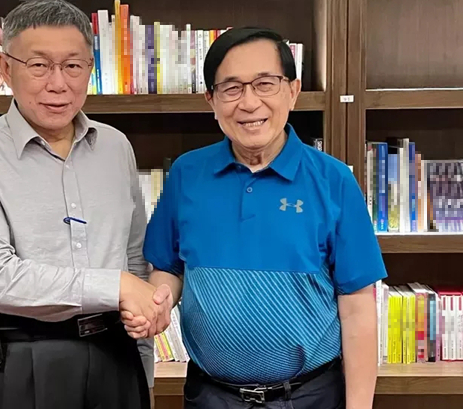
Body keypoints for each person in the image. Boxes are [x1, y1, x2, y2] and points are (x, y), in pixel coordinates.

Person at [127, 27, 387, 408]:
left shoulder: (334, 181)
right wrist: (160, 299)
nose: (249, 103)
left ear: (293, 91)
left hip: (309, 397)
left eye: (265, 84)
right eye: (231, 88)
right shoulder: (187, 174)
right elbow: (168, 268)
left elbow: (358, 309)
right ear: (211, 100)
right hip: (210, 396)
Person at [0, 0, 172, 409]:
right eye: (39, 65)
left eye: (73, 65)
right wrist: (115, 286)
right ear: (5, 68)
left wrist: (143, 369)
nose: (58, 83)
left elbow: (134, 258)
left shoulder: (115, 146)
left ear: (90, 69)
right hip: (20, 358)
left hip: (115, 354)